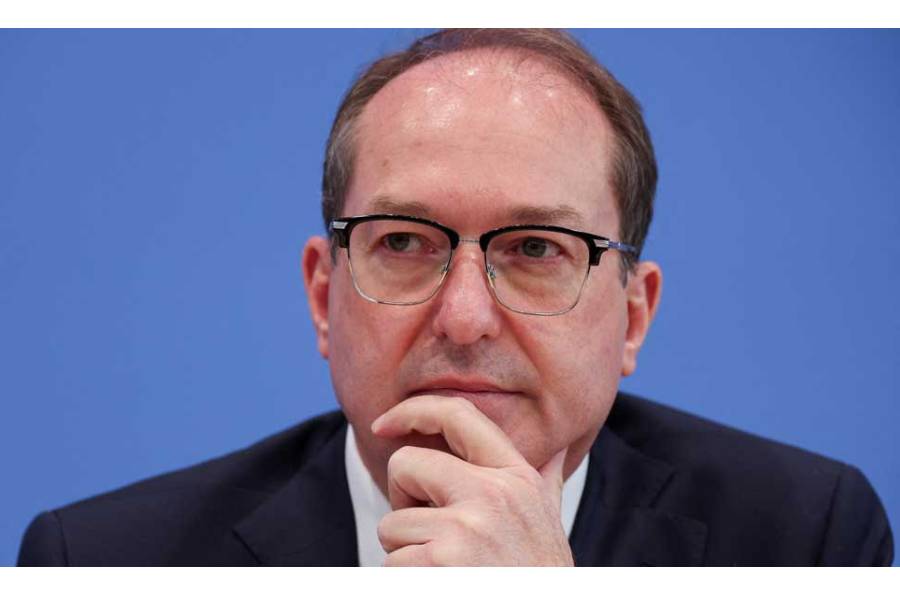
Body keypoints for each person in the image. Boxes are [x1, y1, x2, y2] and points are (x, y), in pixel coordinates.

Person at [18, 29, 893, 567]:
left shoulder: (805, 540)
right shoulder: (103, 562)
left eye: (537, 248)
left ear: (633, 315)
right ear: (325, 298)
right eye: (404, 242)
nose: (466, 318)